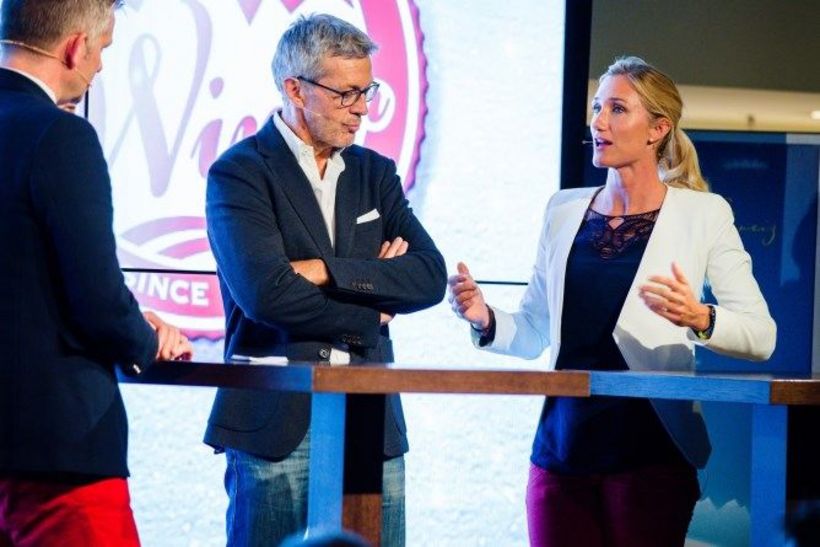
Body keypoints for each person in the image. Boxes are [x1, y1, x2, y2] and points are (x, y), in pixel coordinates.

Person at [448, 56, 776, 547]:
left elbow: (761, 336)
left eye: (617, 109)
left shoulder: (703, 213)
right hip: (561, 448)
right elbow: (534, 330)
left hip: (649, 452)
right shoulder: (563, 209)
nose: (598, 122)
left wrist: (700, 317)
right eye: (597, 107)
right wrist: (484, 318)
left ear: (657, 129)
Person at [203, 13, 446, 546]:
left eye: (368, 91)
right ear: (296, 89)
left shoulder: (374, 173)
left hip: (369, 417)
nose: (362, 108)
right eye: (346, 94)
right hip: (276, 418)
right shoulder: (240, 173)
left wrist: (323, 271)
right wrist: (373, 307)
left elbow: (429, 276)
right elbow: (267, 294)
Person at [0, 0, 193, 545]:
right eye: (103, 48)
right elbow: (97, 299)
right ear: (76, 46)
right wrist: (146, 339)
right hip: (55, 454)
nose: (102, 66)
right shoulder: (61, 135)